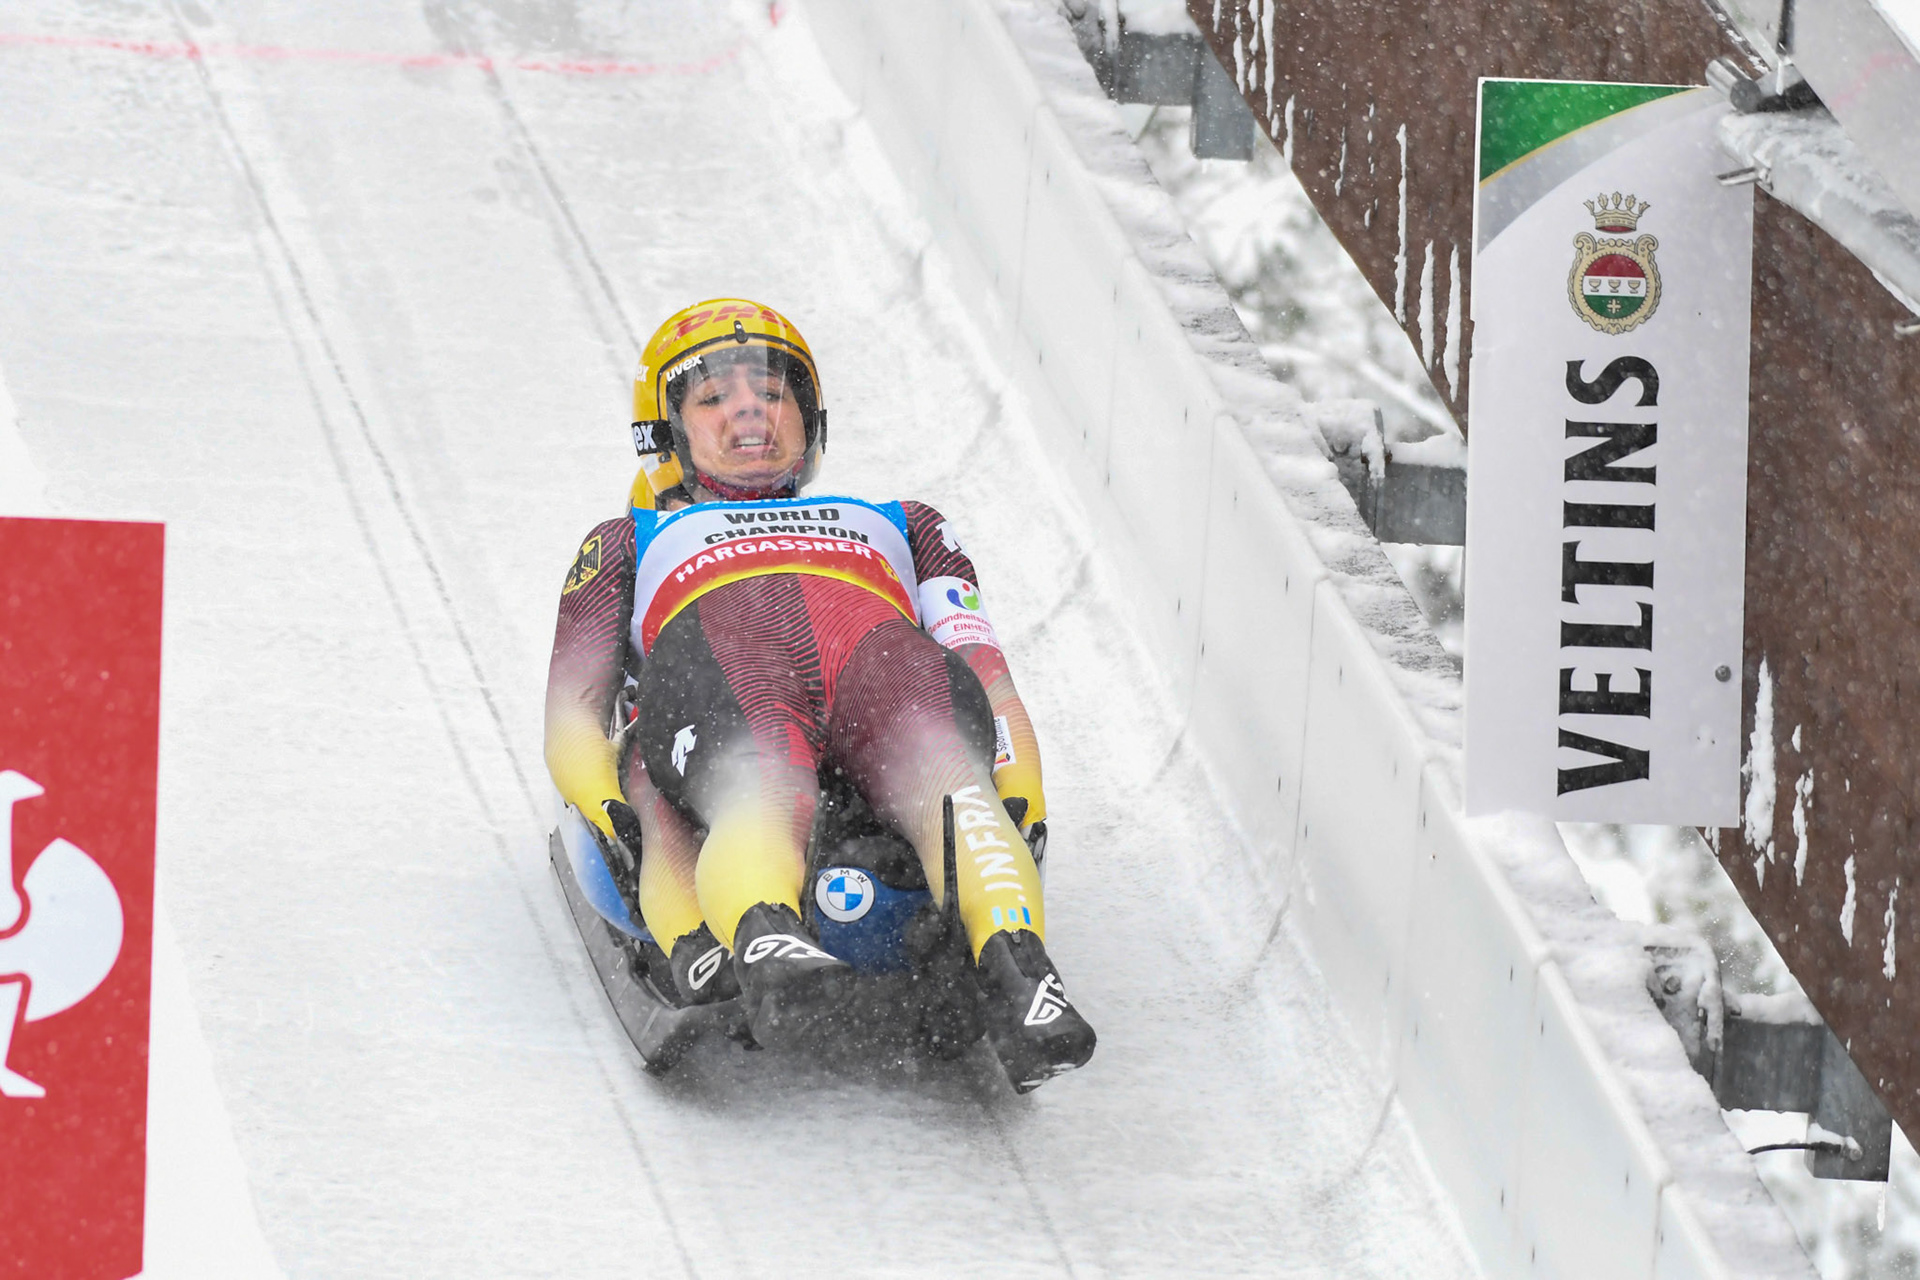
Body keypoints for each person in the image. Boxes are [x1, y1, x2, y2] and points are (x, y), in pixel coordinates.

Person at [542, 298, 1095, 1090]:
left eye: (772, 392)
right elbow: (573, 711)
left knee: (952, 783)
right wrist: (611, 816)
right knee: (757, 778)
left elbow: (982, 666)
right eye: (712, 397)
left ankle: (1019, 965)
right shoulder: (626, 540)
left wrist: (1022, 793)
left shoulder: (907, 523)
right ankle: (765, 931)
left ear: (810, 417)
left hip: (877, 656)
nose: (749, 411)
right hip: (726, 662)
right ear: (665, 436)